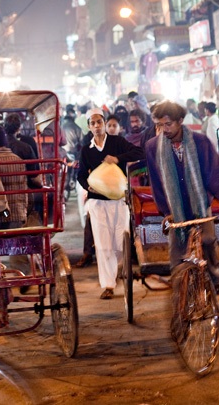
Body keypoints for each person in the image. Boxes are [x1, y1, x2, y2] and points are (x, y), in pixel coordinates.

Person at [145, 101, 219, 295]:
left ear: (180, 121)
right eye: (160, 125)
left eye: (168, 124)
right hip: (174, 207)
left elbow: (216, 171)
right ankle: (179, 287)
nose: (164, 129)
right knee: (177, 248)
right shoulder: (152, 146)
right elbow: (157, 181)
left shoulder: (200, 142)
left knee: (207, 239)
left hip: (199, 202)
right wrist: (166, 211)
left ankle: (215, 276)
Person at [77, 109, 145, 299]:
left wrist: (118, 159)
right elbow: (81, 175)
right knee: (102, 244)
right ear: (89, 127)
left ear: (105, 124)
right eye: (93, 123)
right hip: (98, 203)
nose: (97, 126)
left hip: (118, 201)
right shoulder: (86, 150)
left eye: (100, 122)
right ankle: (108, 284)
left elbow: (139, 152)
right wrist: (89, 189)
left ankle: (122, 269)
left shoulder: (117, 142)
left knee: (120, 240)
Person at [0, 127, 28, 229]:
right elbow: (24, 190)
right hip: (18, 214)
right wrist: (24, 212)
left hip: (1, 216)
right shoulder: (19, 160)